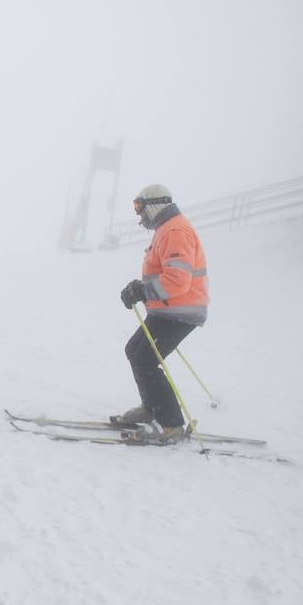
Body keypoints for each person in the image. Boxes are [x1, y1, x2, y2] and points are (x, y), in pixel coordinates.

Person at [114, 183, 209, 441]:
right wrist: (139, 289)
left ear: (155, 205)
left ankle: (172, 424)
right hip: (166, 311)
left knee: (145, 359)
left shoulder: (175, 231)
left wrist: (143, 291)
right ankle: (151, 409)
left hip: (181, 312)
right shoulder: (165, 230)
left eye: (140, 208)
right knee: (135, 351)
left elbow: (178, 280)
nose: (139, 215)